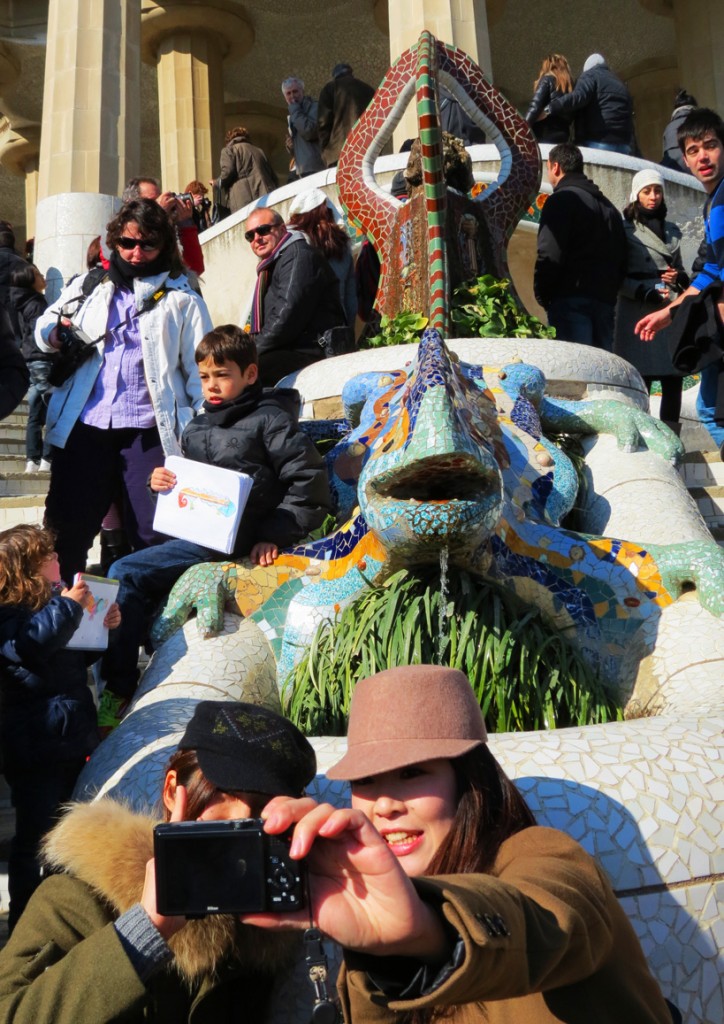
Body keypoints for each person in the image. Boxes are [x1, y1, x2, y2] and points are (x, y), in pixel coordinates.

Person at [254, 665, 674, 1024]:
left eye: (412, 773)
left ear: (469, 782)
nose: (383, 804)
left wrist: (428, 927)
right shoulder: (372, 910)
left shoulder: (542, 852)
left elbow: (549, 916)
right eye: (364, 781)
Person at [0, 699, 318, 1023]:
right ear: (171, 791)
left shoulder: (268, 930)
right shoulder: (77, 900)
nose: (242, 819)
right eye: (224, 793)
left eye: (264, 809)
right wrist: (144, 930)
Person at [98, 324, 331, 724]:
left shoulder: (271, 421)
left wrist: (270, 535)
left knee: (123, 571)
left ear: (250, 375)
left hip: (239, 542)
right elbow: (192, 493)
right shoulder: (197, 427)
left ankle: (117, 689)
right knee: (131, 574)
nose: (212, 385)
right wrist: (162, 486)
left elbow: (310, 483)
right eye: (205, 376)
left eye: (223, 375)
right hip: (199, 538)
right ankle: (125, 680)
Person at [35, 198, 212, 584]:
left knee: (154, 534)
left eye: (147, 244)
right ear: (113, 242)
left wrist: (202, 432)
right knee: (66, 532)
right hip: (86, 426)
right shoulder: (89, 285)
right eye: (128, 243)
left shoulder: (182, 297)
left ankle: (148, 624)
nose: (136, 253)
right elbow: (46, 322)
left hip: (148, 431)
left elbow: (201, 372)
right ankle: (66, 622)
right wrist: (54, 333)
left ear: (163, 245)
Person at [0, 524, 121, 930]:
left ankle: (56, 919)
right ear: (28, 569)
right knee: (35, 838)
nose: (57, 561)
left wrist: (103, 625)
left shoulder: (53, 605)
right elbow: (30, 647)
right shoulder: (8, 613)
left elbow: (67, 662)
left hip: (69, 737)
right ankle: (23, 923)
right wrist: (70, 608)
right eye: (48, 557)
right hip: (34, 746)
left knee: (65, 836)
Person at [637, 107, 724, 458]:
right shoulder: (712, 204)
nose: (702, 156)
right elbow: (708, 272)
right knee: (709, 408)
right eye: (693, 150)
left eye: (711, 145)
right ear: (685, 161)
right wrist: (669, 312)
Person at [614, 169, 689, 431]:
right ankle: (643, 436)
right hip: (638, 310)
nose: (653, 197)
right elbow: (615, 274)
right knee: (640, 380)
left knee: (673, 379)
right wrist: (641, 291)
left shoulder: (673, 230)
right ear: (636, 194)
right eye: (647, 191)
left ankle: (671, 437)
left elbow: (683, 272)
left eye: (657, 191)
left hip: (668, 308)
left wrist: (679, 277)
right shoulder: (625, 231)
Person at [534, 142, 626, 350]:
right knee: (602, 374)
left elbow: (549, 252)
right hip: (604, 303)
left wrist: (543, 292)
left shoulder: (560, 200)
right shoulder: (610, 208)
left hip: (569, 300)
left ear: (555, 167)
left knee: (577, 373)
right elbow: (622, 257)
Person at [245, 207, 347, 384]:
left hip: (313, 351)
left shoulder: (298, 255)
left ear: (282, 229)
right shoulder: (276, 261)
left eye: (263, 230)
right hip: (293, 348)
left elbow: (287, 315)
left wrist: (249, 352)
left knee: (247, 374)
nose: (257, 239)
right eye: (250, 236)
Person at [288, 187, 357, 324]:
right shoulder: (342, 246)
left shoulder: (292, 245)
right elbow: (351, 302)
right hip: (336, 328)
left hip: (305, 331)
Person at [8, 263, 52, 472]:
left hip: (28, 360)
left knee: (35, 413)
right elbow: (41, 335)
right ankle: (47, 458)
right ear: (28, 280)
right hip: (42, 359)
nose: (43, 276)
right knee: (53, 411)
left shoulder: (19, 304)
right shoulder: (37, 303)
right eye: (37, 274)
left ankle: (32, 460)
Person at [546, 53, 635, 155]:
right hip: (624, 143)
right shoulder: (620, 83)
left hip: (599, 139)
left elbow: (578, 97)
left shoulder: (590, 75)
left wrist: (552, 107)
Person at [122, 177, 205, 277]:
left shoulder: (167, 227)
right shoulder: (122, 234)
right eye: (152, 201)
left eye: (159, 198)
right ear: (131, 205)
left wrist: (185, 223)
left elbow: (195, 269)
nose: (162, 203)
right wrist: (158, 214)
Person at [317, 62, 375, 167]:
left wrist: (325, 151)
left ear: (335, 76)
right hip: (368, 150)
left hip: (339, 153)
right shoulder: (368, 90)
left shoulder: (330, 89)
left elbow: (323, 122)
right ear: (351, 73)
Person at [213, 127, 278, 216]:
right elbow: (273, 177)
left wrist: (216, 183)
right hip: (265, 195)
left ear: (229, 139)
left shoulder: (228, 150)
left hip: (243, 199)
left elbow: (227, 172)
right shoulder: (259, 151)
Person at [525, 53, 574, 144]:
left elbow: (535, 106)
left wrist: (522, 128)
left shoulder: (547, 80)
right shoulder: (571, 87)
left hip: (544, 134)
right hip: (563, 135)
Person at [282, 76, 325, 178]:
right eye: (288, 93)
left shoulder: (314, 107)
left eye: (295, 91)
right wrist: (291, 147)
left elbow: (309, 131)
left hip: (316, 166)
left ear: (302, 91)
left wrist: (294, 109)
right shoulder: (294, 114)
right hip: (303, 168)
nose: (292, 96)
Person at [661, 90, 698, 174]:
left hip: (670, 167)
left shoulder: (668, 127)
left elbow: (664, 153)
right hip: (691, 168)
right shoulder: (698, 123)